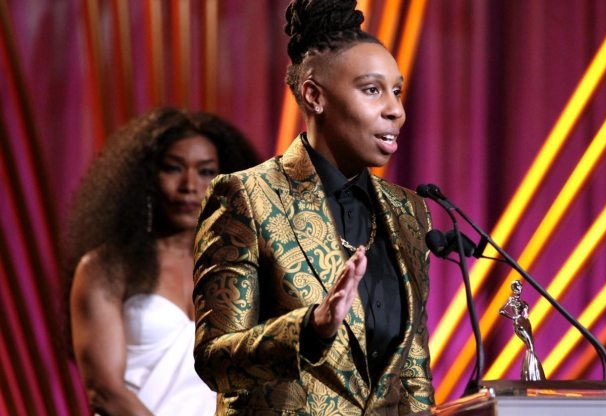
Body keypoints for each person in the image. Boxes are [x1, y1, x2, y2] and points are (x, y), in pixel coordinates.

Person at [192, 0, 435, 413]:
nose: (395, 109)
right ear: (313, 95)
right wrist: (310, 328)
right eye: (372, 89)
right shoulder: (246, 196)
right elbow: (215, 360)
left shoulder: (408, 212)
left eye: (397, 91)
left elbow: (413, 375)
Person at [63, 107, 260, 415]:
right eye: (172, 168)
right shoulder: (106, 268)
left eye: (206, 171)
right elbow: (105, 391)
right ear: (144, 178)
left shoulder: (243, 267)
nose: (189, 186)